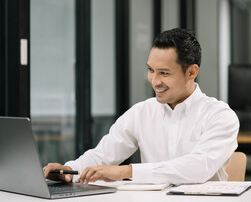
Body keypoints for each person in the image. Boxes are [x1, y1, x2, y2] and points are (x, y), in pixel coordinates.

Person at [43, 28, 239, 185]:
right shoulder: (141, 112)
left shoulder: (220, 116)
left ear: (191, 72)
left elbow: (197, 168)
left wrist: (127, 171)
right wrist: (69, 171)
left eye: (164, 73)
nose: (154, 81)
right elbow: (102, 155)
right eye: (151, 70)